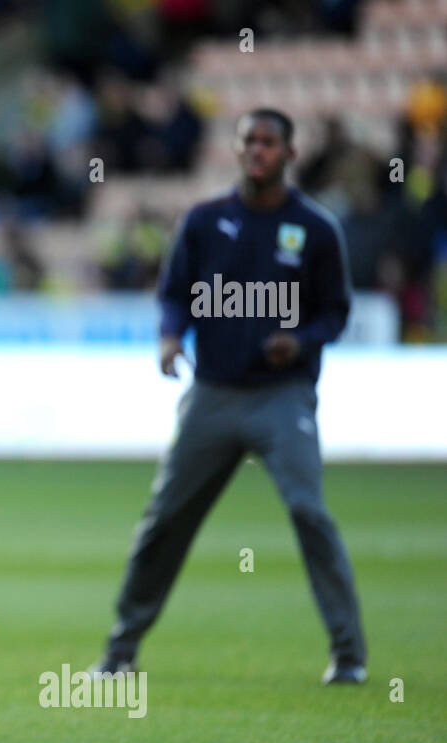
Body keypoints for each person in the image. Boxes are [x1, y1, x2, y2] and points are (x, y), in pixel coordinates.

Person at [91, 108, 368, 685]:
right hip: (212, 394)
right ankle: (120, 652)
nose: (258, 152)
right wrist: (170, 337)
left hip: (282, 397)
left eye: (270, 143)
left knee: (308, 510)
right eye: (250, 142)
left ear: (291, 154)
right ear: (238, 151)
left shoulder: (314, 230)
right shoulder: (204, 221)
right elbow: (174, 295)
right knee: (165, 519)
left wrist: (303, 340)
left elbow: (337, 312)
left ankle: (349, 654)